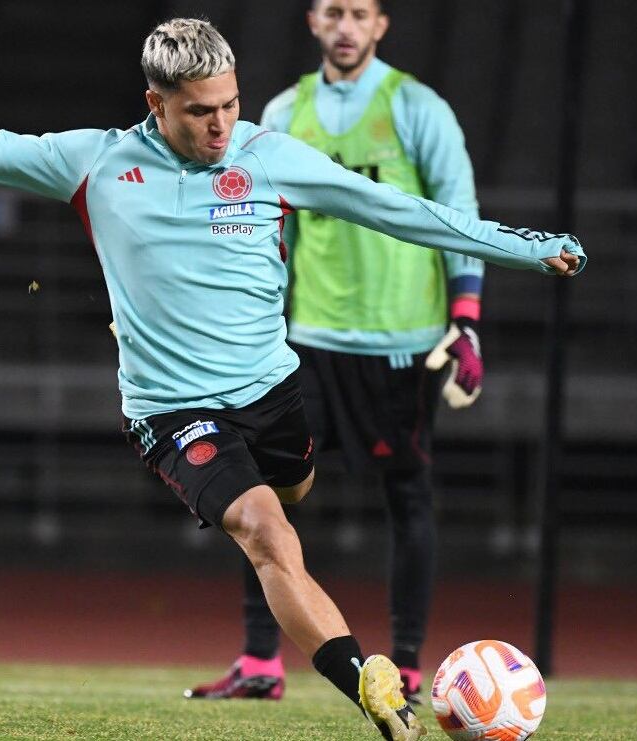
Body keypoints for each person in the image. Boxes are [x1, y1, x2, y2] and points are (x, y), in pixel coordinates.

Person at [0, 17, 583, 740]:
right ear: (156, 102)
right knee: (266, 533)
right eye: (201, 110)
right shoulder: (96, 163)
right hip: (172, 412)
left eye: (230, 105)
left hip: (276, 395)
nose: (220, 125)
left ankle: (297, 583)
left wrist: (522, 248)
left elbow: (395, 209)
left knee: (291, 500)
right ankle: (367, 683)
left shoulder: (267, 155)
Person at [187, 0, 482, 705]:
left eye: (358, 13)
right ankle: (260, 660)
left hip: (401, 343)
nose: (345, 26)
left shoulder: (417, 108)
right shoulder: (285, 112)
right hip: (306, 341)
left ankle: (406, 662)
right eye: (331, 12)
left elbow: (456, 212)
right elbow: (250, 220)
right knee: (260, 489)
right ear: (312, 23)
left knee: (406, 496)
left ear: (380, 24)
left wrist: (465, 318)